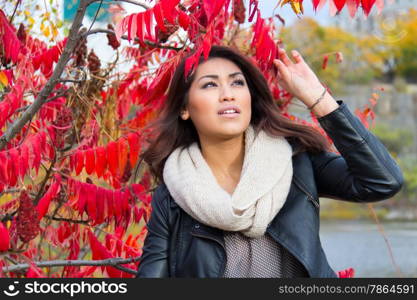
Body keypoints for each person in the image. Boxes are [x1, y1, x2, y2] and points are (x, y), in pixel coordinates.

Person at [134, 45, 404, 278]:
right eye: (210, 84)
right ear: (184, 109)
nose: (228, 94)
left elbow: (382, 181)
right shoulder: (173, 196)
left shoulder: (296, 162)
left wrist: (317, 98)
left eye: (237, 82)